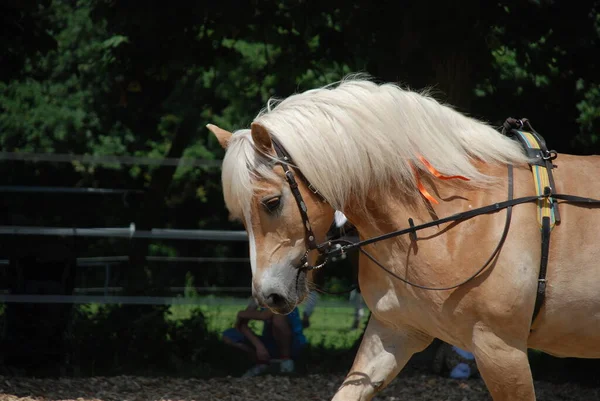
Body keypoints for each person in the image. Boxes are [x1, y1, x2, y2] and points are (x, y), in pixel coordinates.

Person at [222, 297, 307, 378]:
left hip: (294, 344)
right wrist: (259, 346)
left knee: (278, 317)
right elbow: (241, 325)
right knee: (229, 336)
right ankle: (261, 362)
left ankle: (286, 361)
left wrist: (241, 313)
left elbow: (264, 315)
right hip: (270, 343)